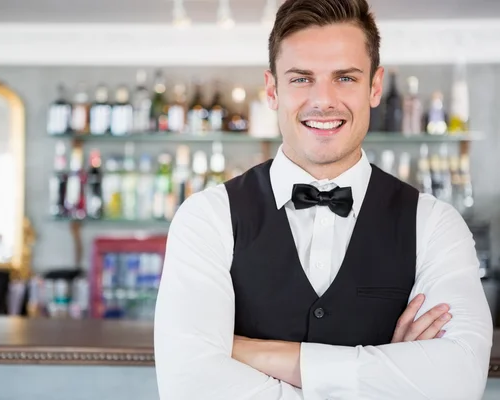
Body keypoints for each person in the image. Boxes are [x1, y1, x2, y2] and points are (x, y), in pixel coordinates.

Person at [154, 0, 494, 399]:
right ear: (272, 89)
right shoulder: (207, 218)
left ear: (375, 86)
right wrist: (387, 375)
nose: (324, 100)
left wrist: (257, 354)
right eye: (301, 79)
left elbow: (458, 381)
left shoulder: (435, 224)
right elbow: (189, 386)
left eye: (345, 78)